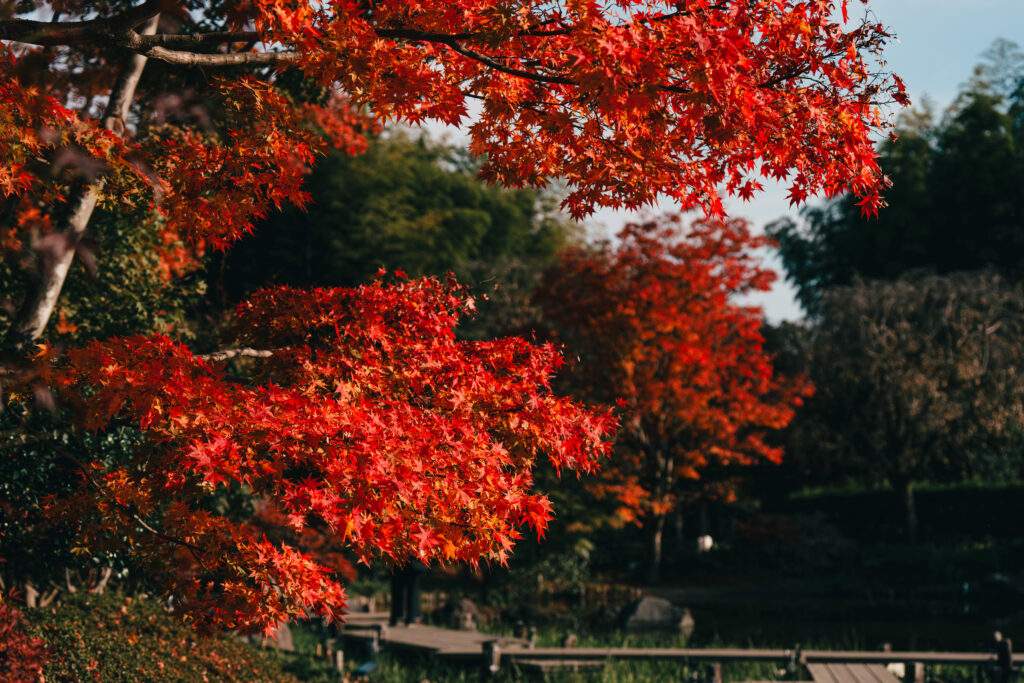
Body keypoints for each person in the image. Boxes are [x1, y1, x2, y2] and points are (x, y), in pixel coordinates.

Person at [389, 559, 427, 626]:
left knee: (399, 591)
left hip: (403, 563)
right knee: (411, 592)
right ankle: (408, 618)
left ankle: (399, 617)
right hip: (411, 563)